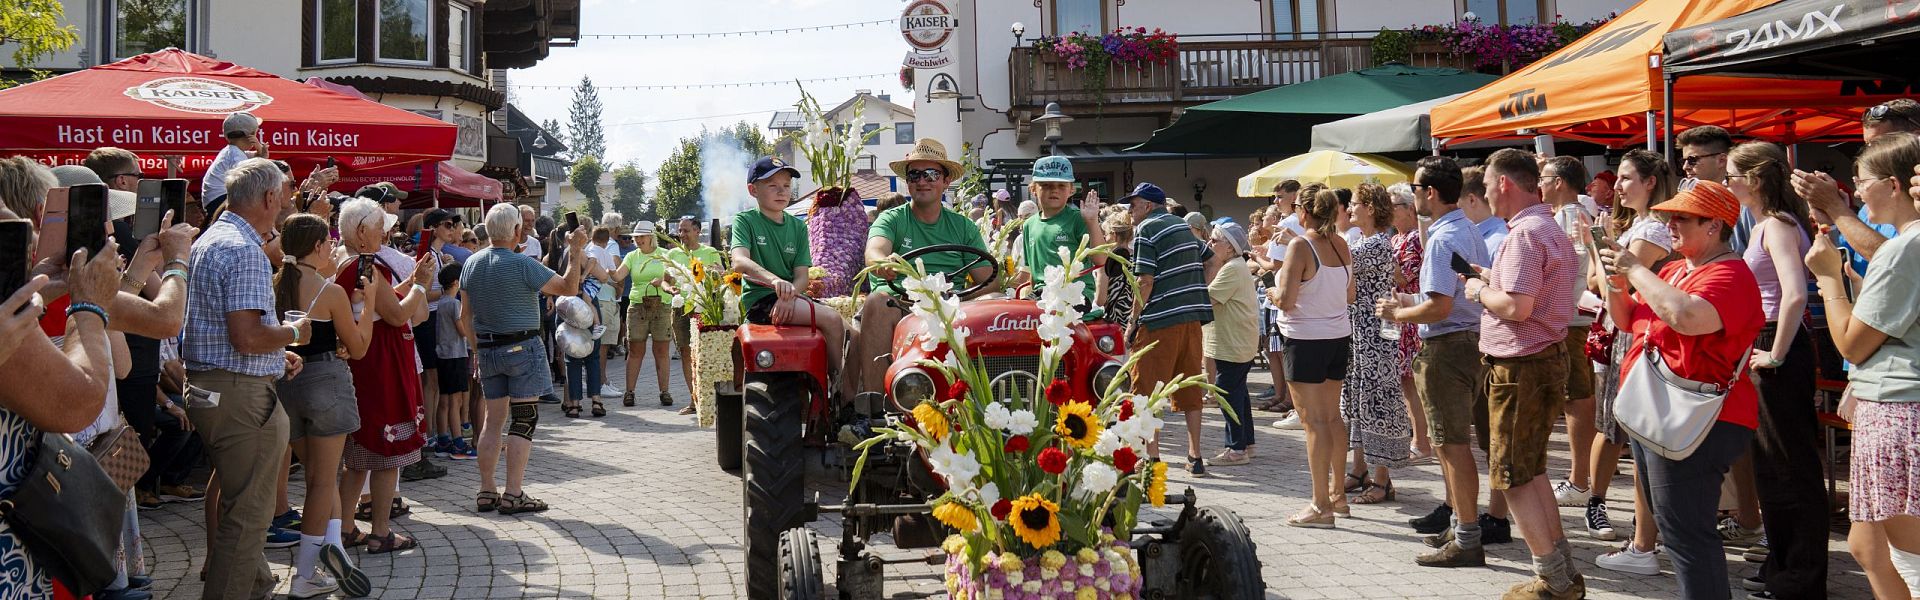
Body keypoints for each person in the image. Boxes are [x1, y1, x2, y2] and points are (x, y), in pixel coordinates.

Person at [1599, 181, 1763, 600]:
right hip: (1660, 409)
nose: (1671, 225)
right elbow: (1627, 319)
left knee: (1686, 531)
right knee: (1676, 526)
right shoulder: (1675, 270)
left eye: (1682, 218)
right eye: (1670, 217)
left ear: (1714, 226)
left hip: (1698, 416)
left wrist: (1634, 268)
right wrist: (1614, 277)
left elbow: (1686, 317)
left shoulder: (1731, 274)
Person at [184, 157, 310, 600]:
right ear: (270, 197)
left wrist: (277, 353)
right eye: (286, 192)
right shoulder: (243, 249)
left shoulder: (210, 239)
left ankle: (256, 586)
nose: (288, 200)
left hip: (214, 385)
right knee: (249, 515)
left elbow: (228, 333)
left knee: (243, 505)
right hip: (238, 394)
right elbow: (247, 336)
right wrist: (293, 333)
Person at [1463, 149, 1583, 598]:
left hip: (1520, 365)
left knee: (1512, 475)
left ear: (1504, 184)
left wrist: (1478, 290)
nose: (1484, 194)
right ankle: (1563, 571)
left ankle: (1552, 580)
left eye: (1487, 185)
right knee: (1532, 470)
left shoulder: (1525, 234)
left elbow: (1516, 307)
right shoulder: (1547, 227)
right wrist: (1492, 280)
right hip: (1544, 357)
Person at [1808, 131, 1920, 600]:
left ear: (1893, 185)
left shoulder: (1904, 248)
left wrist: (1829, 281)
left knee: (1910, 562)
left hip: (1898, 411)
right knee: (1869, 546)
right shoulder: (1904, 247)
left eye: (1862, 181)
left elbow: (1852, 345)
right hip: (1890, 408)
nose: (1854, 191)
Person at [1380, 156, 1499, 567]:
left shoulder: (1443, 236)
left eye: (1415, 189)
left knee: (1451, 445)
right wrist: (1411, 302)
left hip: (1449, 347)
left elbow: (1440, 307)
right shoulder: (1468, 228)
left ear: (1429, 192)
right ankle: (1460, 526)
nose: (1413, 197)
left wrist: (1399, 312)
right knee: (1454, 444)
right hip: (1472, 340)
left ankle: (1466, 537)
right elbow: (1449, 296)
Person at [1725, 141, 1828, 599]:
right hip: (1766, 340)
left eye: (1731, 175)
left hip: (1776, 342)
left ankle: (1800, 576)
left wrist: (1777, 353)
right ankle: (1783, 564)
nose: (1727, 183)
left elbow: (1795, 293)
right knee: (1772, 463)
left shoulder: (1779, 225)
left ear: (1754, 179)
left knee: (1788, 464)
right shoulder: (1767, 224)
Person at [273, 214, 378, 598]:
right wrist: (369, 301)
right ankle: (305, 573)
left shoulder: (274, 284)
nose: (332, 248)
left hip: (286, 384)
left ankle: (334, 550)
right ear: (317, 246)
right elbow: (360, 347)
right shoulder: (329, 291)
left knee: (320, 476)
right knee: (322, 481)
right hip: (325, 383)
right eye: (328, 242)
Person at [463, 202, 586, 515]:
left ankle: (486, 489)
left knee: (492, 422)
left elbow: (465, 316)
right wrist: (575, 251)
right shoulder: (523, 264)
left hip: (487, 348)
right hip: (521, 347)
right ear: (517, 230)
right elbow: (569, 287)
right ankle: (513, 493)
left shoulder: (472, 263)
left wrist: (477, 350)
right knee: (524, 418)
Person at [1593, 149, 1683, 574]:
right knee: (1627, 435)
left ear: (1650, 183)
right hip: (1627, 331)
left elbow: (1612, 283)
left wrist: (1600, 247)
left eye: (1627, 178)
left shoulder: (1655, 230)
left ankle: (1645, 541)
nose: (1618, 186)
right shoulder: (1638, 227)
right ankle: (1644, 537)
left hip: (1639, 333)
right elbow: (1601, 279)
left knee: (1640, 439)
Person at [851, 141, 992, 401]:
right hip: (901, 304)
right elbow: (874, 252)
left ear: (946, 181)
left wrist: (965, 296)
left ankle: (985, 399)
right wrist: (883, 262)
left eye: (931, 174)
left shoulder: (964, 227)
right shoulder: (891, 219)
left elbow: (989, 280)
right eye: (914, 175)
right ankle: (875, 408)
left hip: (953, 306)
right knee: (877, 302)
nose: (922, 181)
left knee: (996, 304)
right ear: (907, 182)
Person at [332, 198, 434, 554]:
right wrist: (421, 286)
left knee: (358, 457)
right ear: (362, 231)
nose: (385, 234)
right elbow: (397, 314)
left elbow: (384, 301)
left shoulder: (345, 260)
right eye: (379, 228)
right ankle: (380, 531)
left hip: (366, 363)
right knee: (387, 453)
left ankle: (346, 528)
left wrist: (410, 281)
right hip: (381, 365)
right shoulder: (367, 266)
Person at [1121, 182, 1215, 473]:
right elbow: (1213, 260)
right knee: (1190, 388)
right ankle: (1195, 456)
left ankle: (1151, 457)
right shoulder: (1182, 225)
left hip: (1159, 320)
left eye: (1133, 205)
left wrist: (1132, 321)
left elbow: (1144, 281)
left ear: (1148, 206)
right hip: (1191, 318)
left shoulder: (1146, 229)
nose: (1130, 211)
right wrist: (1194, 290)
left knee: (1146, 390)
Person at [1273, 187, 1351, 524]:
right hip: (1337, 336)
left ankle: (1321, 505)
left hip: (1305, 338)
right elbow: (1350, 294)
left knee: (1315, 423)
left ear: (1303, 211)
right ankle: (1338, 496)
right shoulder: (1341, 243)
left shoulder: (1300, 246)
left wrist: (1270, 289)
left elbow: (1286, 300)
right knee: (1332, 418)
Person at [731, 156, 847, 373]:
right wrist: (776, 282)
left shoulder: (798, 226)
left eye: (786, 186)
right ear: (753, 190)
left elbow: (802, 276)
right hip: (762, 300)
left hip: (792, 297)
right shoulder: (745, 221)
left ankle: (851, 387)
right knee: (832, 319)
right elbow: (739, 260)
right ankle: (836, 384)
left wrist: (789, 295)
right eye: (772, 185)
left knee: (853, 333)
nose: (781, 191)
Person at [1539, 157, 1602, 515]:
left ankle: (1580, 481)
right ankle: (1581, 478)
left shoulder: (1569, 217)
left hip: (1573, 320)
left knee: (1577, 398)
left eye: (1544, 178)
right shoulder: (1572, 214)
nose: (1540, 185)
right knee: (1577, 397)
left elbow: (1564, 269)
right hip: (1576, 317)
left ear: (1560, 182)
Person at [1341, 183, 1410, 506]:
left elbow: (1336, 264)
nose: (1349, 208)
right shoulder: (1366, 241)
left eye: (1354, 203)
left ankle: (1382, 480)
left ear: (1369, 208)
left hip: (1375, 336)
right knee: (1360, 400)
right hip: (1363, 333)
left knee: (1376, 402)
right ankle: (1360, 471)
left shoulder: (1374, 245)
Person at [1202, 222, 1258, 466]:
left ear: (1229, 247)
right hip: (1238, 340)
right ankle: (1246, 443)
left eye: (1215, 240)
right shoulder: (1235, 265)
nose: (1210, 244)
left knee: (1226, 393)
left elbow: (1208, 298)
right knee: (1238, 392)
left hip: (1233, 342)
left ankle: (1236, 449)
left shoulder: (1232, 268)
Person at [1019, 156, 1105, 304]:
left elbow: (1100, 260)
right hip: (1042, 293)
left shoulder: (1079, 218)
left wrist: (1092, 222)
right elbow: (1033, 272)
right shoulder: (1029, 225)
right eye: (1046, 185)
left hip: (1076, 294)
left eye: (1061, 185)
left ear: (1071, 190)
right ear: (1033, 189)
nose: (1054, 190)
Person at [1387, 182, 1430, 461]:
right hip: (1399, 318)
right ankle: (1416, 437)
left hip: (1411, 318)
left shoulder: (1415, 239)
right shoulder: (1395, 239)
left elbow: (1406, 279)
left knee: (1412, 382)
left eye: (1392, 206)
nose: (1388, 211)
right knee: (1405, 382)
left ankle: (1421, 441)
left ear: (1408, 209)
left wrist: (1387, 264)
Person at [611, 221, 673, 410]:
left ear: (651, 237)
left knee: (661, 351)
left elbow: (674, 278)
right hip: (637, 306)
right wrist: (607, 269)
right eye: (636, 237)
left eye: (641, 237)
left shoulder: (665, 255)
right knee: (635, 351)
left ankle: (665, 391)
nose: (637, 240)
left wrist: (662, 281)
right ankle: (629, 392)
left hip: (662, 305)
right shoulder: (632, 256)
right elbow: (618, 276)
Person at [666, 216, 724, 415]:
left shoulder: (710, 252)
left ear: (698, 231)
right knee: (686, 353)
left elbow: (720, 277)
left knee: (706, 353)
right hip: (681, 308)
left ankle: (713, 398)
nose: (682, 234)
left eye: (686, 230)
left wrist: (716, 273)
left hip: (704, 308)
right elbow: (665, 281)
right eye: (680, 231)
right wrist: (669, 288)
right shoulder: (673, 253)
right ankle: (695, 401)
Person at [431, 262, 477, 460]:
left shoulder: (441, 302)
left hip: (443, 355)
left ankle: (443, 439)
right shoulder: (454, 304)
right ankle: (458, 442)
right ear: (457, 282)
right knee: (455, 401)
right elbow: (462, 330)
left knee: (444, 400)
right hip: (455, 355)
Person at [586, 219, 623, 398]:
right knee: (602, 344)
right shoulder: (610, 247)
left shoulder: (588, 248)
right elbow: (614, 271)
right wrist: (618, 283)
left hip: (592, 296)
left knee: (594, 344)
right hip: (604, 298)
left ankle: (597, 382)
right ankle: (600, 383)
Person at [201, 112, 265, 210]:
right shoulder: (236, 155)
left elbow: (257, 157)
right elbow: (248, 182)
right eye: (256, 133)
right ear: (250, 136)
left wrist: (260, 151)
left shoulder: (232, 151)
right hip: (220, 200)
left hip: (215, 199)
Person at [1094, 209, 1135, 331]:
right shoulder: (1139, 258)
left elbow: (1100, 300)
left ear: (1114, 235)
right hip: (1135, 323)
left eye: (1106, 234)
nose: (1104, 238)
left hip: (1114, 325)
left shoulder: (1106, 261)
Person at [1461, 166, 1508, 256]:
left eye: (1456, 202)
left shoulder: (1499, 242)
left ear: (1472, 200)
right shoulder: (1496, 239)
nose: (1453, 209)